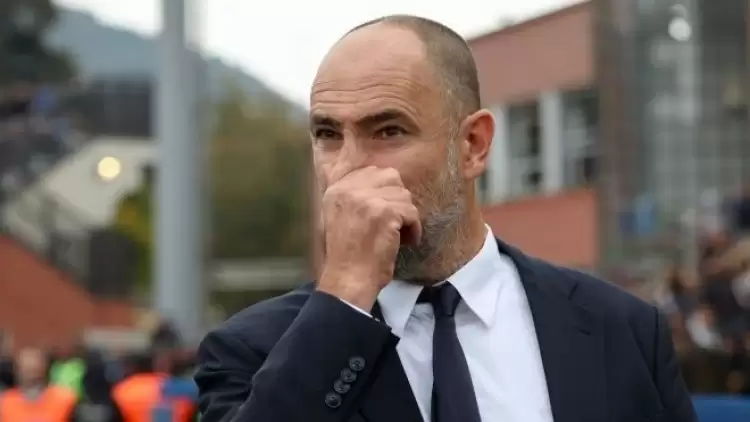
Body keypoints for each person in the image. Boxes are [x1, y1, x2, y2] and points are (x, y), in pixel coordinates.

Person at [195, 15, 697, 422]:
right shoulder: (253, 349)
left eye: (388, 131)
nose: (346, 169)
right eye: (328, 135)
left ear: (473, 145)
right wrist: (345, 293)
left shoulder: (620, 329)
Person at [0, 347, 78, 421]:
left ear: (44, 367)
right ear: (16, 370)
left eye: (34, 368)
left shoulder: (64, 398)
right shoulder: (5, 402)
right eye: (26, 368)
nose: (30, 371)